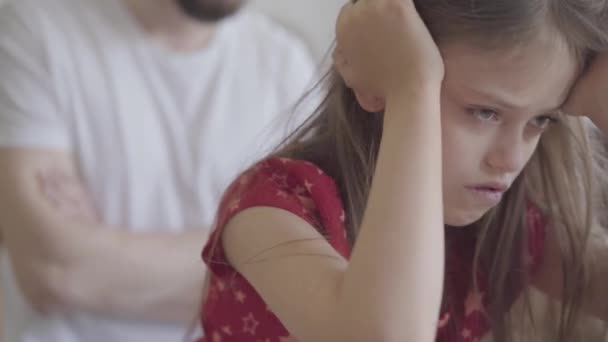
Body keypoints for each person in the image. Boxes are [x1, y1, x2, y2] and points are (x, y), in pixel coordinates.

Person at [198, 0, 608, 341]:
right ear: (384, 79)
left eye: (541, 121)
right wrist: (413, 87)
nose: (510, 159)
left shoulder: (510, 231)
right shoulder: (275, 206)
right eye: (484, 112)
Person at [0, 0, 317, 341]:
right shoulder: (33, 27)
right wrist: (263, 263)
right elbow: (53, 272)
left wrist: (97, 260)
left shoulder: (286, 64)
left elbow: (317, 283)